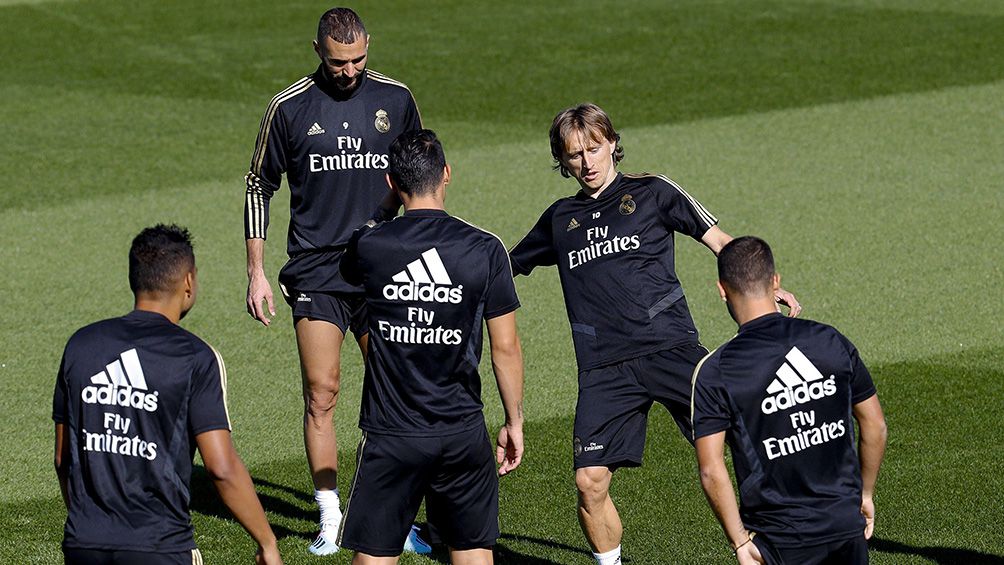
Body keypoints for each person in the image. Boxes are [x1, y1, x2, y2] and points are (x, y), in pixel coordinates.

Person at [508, 103, 801, 565]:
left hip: (673, 349)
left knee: (745, 441)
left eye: (594, 148)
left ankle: (778, 541)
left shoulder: (653, 192)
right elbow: (509, 267)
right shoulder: (559, 220)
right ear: (561, 161)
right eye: (573, 154)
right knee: (589, 481)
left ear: (612, 145)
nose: (586, 163)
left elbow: (721, 242)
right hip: (604, 369)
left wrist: (764, 292)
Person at [242, 7, 426, 554]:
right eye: (338, 61)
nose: (349, 71)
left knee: (397, 395)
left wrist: (417, 243)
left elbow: (421, 172)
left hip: (383, 269)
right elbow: (259, 184)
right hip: (316, 271)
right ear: (317, 50)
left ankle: (391, 514)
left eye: (358, 59)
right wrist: (256, 270)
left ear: (369, 47)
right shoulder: (288, 107)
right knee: (323, 393)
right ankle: (330, 515)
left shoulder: (396, 99)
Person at [337, 129, 525, 564]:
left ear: (391, 182)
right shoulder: (485, 248)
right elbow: (506, 348)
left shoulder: (372, 245)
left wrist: (386, 207)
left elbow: (350, 258)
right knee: (473, 552)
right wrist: (513, 421)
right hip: (462, 432)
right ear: (447, 174)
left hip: (392, 434)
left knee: (375, 555)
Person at [52, 225, 282, 565]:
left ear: (135, 278)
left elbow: (63, 458)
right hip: (160, 546)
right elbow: (221, 467)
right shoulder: (195, 357)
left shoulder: (81, 346)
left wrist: (90, 525)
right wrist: (267, 542)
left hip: (84, 542)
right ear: (188, 281)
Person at [692, 236, 887, 564]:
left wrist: (740, 542)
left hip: (779, 539)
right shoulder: (830, 341)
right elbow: (875, 425)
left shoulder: (716, 371)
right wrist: (864, 494)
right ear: (776, 281)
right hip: (844, 524)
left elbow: (712, 470)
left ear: (722, 289)